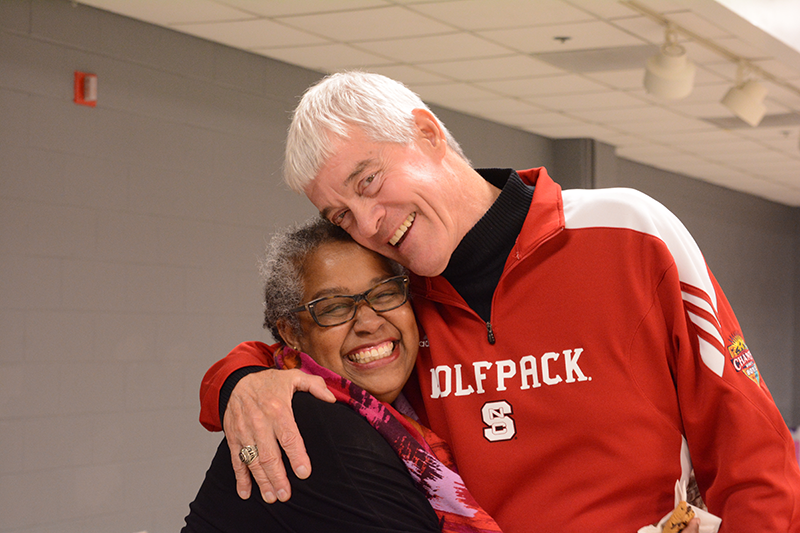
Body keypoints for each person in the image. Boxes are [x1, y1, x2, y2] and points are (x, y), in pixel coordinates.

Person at [199, 71, 800, 532]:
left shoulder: (629, 231)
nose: (369, 224)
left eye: (369, 182)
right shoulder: (399, 302)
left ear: (427, 133)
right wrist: (241, 381)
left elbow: (755, 460)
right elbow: (295, 349)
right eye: (341, 215)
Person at [184, 219, 502, 532]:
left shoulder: (392, 406)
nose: (369, 322)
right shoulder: (313, 427)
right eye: (334, 307)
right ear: (290, 332)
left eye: (384, 293)